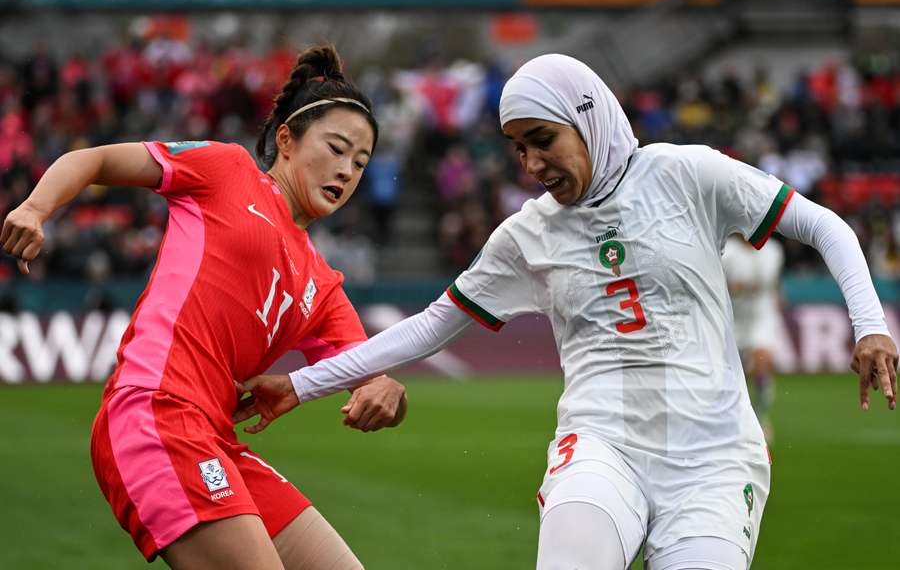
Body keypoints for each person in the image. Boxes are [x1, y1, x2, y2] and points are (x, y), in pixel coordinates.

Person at [232, 54, 898, 570]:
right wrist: (299, 383)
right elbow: (433, 324)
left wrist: (870, 326)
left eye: (542, 139)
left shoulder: (687, 174)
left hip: (716, 459)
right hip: (602, 446)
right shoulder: (527, 235)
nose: (530, 163)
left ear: (587, 116)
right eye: (517, 147)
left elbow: (827, 229)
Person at [1, 45, 408, 569]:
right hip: (154, 413)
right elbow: (95, 159)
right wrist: (36, 209)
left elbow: (370, 377)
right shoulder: (227, 169)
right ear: (285, 139)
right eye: (335, 148)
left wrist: (388, 395)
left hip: (215, 440)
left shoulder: (324, 286)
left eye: (360, 162)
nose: (346, 171)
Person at [722, 235, 785, 441]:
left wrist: (778, 303)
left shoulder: (774, 251)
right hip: (732, 322)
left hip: (762, 319)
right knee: (734, 378)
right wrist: (733, 289)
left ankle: (759, 417)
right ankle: (734, 420)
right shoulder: (726, 251)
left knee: (762, 363)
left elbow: (774, 286)